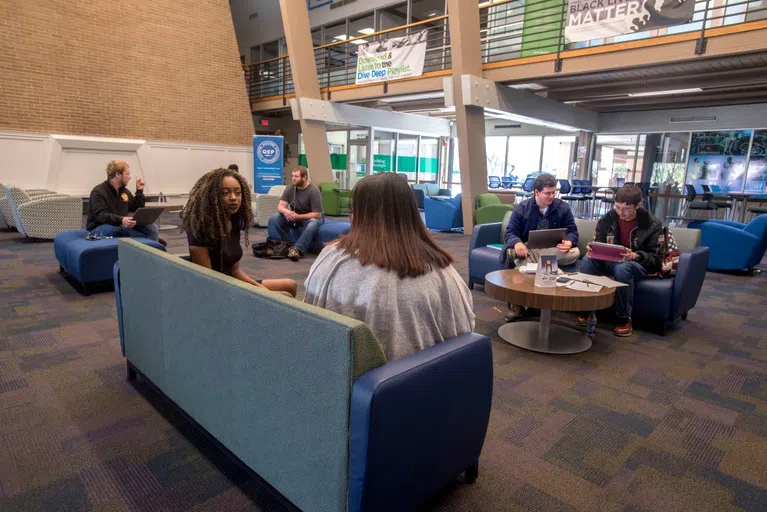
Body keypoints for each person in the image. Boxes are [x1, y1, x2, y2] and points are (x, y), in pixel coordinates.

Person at [304, 173, 474, 361]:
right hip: (424, 382)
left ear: (358, 214)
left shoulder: (331, 258)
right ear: (411, 214)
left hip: (333, 378)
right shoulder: (442, 271)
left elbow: (309, 327)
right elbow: (465, 330)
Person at [181, 168, 297, 297]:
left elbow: (235, 270)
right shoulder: (200, 229)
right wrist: (265, 294)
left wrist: (261, 289)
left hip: (233, 281)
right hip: (217, 290)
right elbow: (208, 283)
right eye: (225, 193)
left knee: (290, 285)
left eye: (238, 193)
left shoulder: (233, 221)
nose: (233, 198)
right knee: (285, 296)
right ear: (212, 196)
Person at [577, 184, 663, 337]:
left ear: (638, 206)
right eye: (617, 207)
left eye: (626, 209)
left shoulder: (652, 225)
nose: (621, 213)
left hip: (635, 264)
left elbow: (656, 259)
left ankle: (624, 318)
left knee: (623, 268)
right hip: (609, 261)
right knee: (587, 261)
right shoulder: (608, 218)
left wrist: (635, 255)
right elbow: (599, 241)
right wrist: (594, 248)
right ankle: (585, 309)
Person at [500, 173, 579, 321]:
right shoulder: (522, 208)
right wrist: (517, 243)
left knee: (575, 252)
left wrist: (569, 242)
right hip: (528, 247)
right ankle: (519, 305)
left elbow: (572, 231)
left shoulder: (562, 207)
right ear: (536, 192)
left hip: (553, 250)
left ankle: (527, 257)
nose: (551, 196)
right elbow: (511, 232)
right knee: (524, 264)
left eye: (554, 193)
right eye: (547, 193)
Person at [86, 160, 166, 245]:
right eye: (127, 174)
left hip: (120, 224)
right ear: (118, 175)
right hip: (99, 227)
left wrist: (139, 191)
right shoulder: (98, 192)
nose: (130, 177)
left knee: (152, 227)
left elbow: (135, 208)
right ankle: (150, 240)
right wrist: (121, 220)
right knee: (120, 229)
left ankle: (153, 250)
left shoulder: (124, 191)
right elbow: (100, 216)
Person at [268, 166, 324, 262]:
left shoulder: (313, 191)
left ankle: (298, 249)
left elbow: (317, 214)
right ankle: (290, 245)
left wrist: (298, 217)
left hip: (311, 216)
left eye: (296, 176)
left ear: (304, 177)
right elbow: (280, 207)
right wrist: (286, 211)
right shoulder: (290, 188)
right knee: (276, 218)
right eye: (293, 176)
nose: (293, 178)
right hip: (296, 215)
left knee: (313, 223)